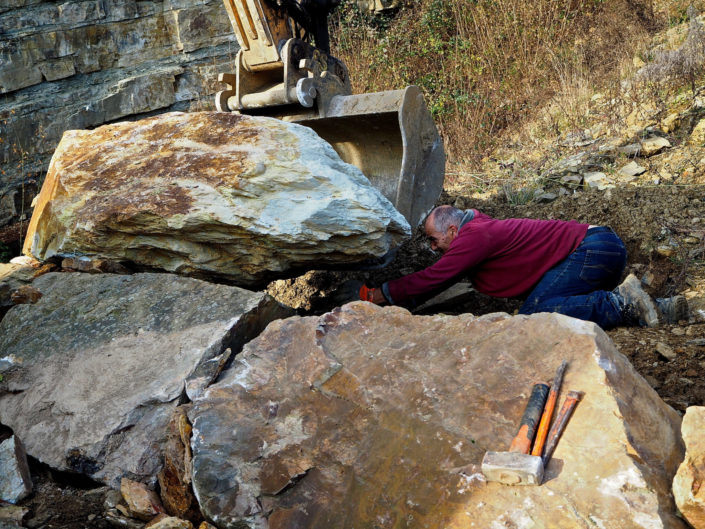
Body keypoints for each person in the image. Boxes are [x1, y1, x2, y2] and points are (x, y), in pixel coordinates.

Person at [361, 205, 688, 329]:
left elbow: (437, 277)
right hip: (598, 253)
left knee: (534, 315)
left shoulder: (474, 236)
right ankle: (660, 308)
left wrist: (383, 294)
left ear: (452, 231)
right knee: (544, 306)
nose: (434, 249)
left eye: (434, 240)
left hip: (593, 251)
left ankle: (621, 302)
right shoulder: (480, 232)